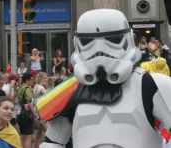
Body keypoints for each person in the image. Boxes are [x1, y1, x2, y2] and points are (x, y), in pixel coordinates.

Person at [38, 9, 171, 148]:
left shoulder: (152, 85)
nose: (99, 50)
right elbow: (52, 143)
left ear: (128, 39)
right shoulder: (70, 92)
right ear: (77, 42)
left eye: (113, 40)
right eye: (88, 41)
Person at [17, 73, 37, 148]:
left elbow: (18, 101)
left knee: (22, 136)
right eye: (31, 79)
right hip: (27, 114)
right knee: (29, 136)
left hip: (19, 113)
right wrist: (34, 114)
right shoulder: (27, 88)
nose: (33, 81)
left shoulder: (20, 87)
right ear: (27, 80)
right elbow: (29, 103)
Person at [33, 72, 48, 148]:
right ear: (40, 79)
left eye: (46, 77)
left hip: (37, 112)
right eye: (44, 78)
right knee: (48, 133)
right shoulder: (40, 87)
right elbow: (46, 95)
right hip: (40, 114)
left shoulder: (36, 86)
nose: (46, 79)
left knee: (38, 135)